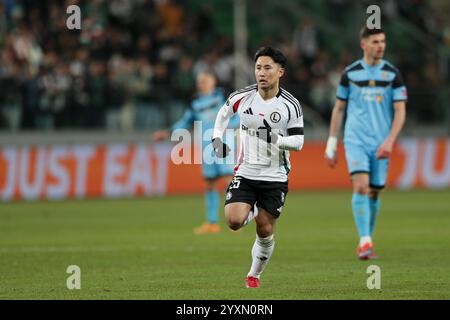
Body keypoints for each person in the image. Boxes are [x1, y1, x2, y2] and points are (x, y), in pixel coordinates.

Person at [211, 46, 304, 288]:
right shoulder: (242, 97)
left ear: (280, 72)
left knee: (264, 229)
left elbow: (298, 142)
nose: (261, 73)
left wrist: (275, 139)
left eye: (267, 68)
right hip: (246, 171)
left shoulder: (290, 105)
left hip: (275, 175)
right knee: (233, 221)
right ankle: (249, 210)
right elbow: (223, 114)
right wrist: (217, 138)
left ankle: (254, 275)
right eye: (258, 68)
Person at [324, 27, 407, 260]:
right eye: (375, 41)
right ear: (364, 44)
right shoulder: (350, 74)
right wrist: (331, 143)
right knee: (361, 186)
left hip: (381, 143)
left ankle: (367, 237)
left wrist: (390, 141)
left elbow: (400, 111)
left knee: (374, 191)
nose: (380, 45)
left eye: (383, 41)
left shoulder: (393, 74)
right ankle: (365, 241)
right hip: (355, 140)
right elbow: (339, 108)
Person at [152, 70, 239, 234]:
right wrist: (168, 132)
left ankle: (237, 219)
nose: (202, 84)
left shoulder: (224, 96)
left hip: (223, 143)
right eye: (199, 81)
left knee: (230, 180)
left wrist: (229, 126)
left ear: (214, 81)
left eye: (205, 80)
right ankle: (212, 223)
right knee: (209, 182)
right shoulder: (195, 102)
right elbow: (185, 122)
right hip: (206, 146)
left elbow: (239, 115)